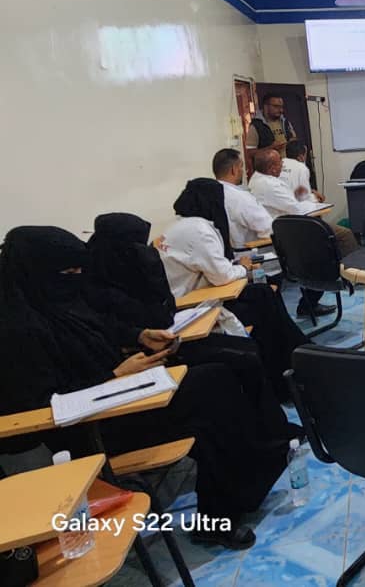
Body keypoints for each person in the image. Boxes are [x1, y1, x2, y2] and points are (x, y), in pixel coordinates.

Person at [0, 226, 289, 549]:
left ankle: (244, 486)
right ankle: (218, 516)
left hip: (121, 396)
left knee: (219, 377)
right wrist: (114, 375)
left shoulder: (58, 301)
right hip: (93, 427)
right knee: (208, 398)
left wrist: (140, 335)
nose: (77, 278)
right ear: (37, 272)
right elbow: (43, 404)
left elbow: (102, 327)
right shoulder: (16, 332)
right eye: (69, 273)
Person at [83, 212, 297, 443]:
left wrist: (142, 333)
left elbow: (162, 312)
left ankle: (276, 418)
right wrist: (130, 353)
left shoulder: (135, 268)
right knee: (235, 362)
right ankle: (267, 433)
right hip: (143, 360)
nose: (142, 251)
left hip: (164, 338)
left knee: (249, 345)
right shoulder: (97, 289)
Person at [159, 178, 309, 401]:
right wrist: (244, 267)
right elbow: (222, 276)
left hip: (196, 296)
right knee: (265, 307)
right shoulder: (199, 230)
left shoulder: (181, 226)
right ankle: (290, 367)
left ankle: (295, 356)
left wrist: (236, 268)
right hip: (193, 307)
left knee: (264, 294)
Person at [244, 149, 349, 319]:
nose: (282, 165)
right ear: (271, 168)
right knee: (335, 240)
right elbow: (296, 208)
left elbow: (292, 200)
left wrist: (310, 198)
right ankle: (349, 277)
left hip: (287, 230)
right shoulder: (269, 185)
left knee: (328, 238)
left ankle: (312, 301)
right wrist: (315, 202)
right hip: (287, 235)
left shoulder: (258, 179)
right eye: (280, 162)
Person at [213, 148, 274, 249]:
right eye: (241, 166)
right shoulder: (240, 197)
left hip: (220, 254)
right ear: (234, 170)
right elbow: (269, 229)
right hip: (248, 254)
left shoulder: (208, 195)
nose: (244, 171)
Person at [246, 93, 296, 157]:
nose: (281, 110)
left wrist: (292, 142)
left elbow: (294, 139)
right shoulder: (256, 126)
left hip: (288, 161)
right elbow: (250, 153)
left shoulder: (285, 122)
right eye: (276, 106)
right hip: (270, 163)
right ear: (266, 106)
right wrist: (270, 148)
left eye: (281, 107)